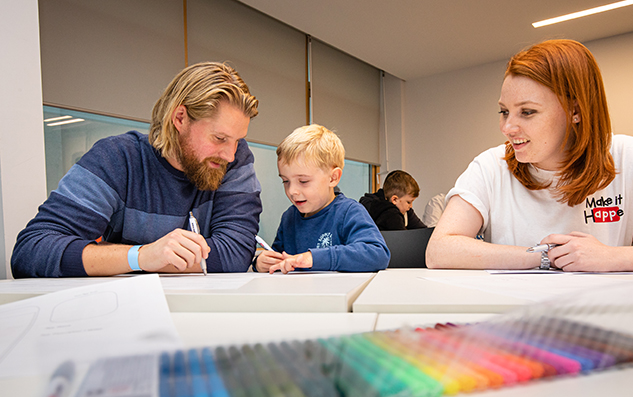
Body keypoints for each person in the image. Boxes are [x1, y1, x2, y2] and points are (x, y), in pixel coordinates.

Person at [426, 39, 633, 272]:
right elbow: (439, 250)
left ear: (575, 111)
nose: (507, 128)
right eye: (504, 111)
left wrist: (612, 257)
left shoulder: (630, 157)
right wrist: (546, 255)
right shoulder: (490, 166)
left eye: (527, 112)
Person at [12, 62, 262, 278]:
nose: (230, 154)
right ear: (180, 118)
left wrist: (112, 255)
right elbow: (32, 251)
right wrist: (141, 256)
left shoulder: (235, 158)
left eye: (237, 140)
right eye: (219, 138)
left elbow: (236, 253)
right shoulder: (116, 159)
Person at [253, 124, 390, 274]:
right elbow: (277, 258)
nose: (292, 191)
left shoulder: (349, 212)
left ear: (333, 178)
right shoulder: (289, 217)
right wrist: (260, 263)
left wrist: (314, 258)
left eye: (303, 181)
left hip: (338, 295)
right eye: (285, 181)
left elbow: (377, 253)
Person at [359, 170, 427, 230]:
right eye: (408, 202)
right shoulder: (391, 214)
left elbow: (423, 231)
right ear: (394, 199)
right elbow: (402, 240)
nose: (411, 206)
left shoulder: (404, 209)